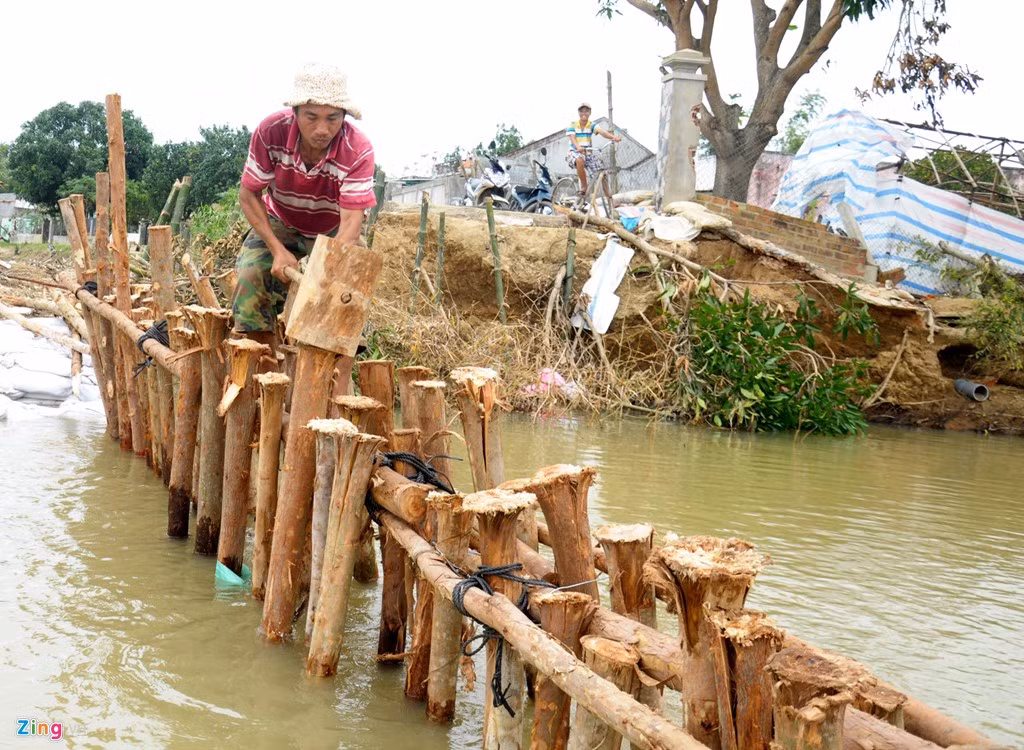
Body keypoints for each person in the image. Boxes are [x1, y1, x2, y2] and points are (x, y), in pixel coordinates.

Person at [233, 62, 376, 351]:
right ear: (295, 111)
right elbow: (248, 196)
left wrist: (322, 271)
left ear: (344, 116)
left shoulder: (358, 149)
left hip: (334, 231)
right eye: (311, 117)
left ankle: (337, 387)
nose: (322, 129)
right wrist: (276, 249)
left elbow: (350, 225)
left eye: (332, 119)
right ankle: (264, 367)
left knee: (347, 301)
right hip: (279, 220)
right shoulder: (271, 131)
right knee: (249, 279)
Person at [566, 102, 621, 195]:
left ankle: (609, 197)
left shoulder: (591, 125)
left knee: (602, 173)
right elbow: (572, 137)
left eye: (586, 111)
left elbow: (602, 132)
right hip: (574, 152)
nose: (584, 113)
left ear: (590, 113)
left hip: (587, 153)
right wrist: (578, 147)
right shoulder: (573, 124)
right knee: (579, 160)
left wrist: (613, 137)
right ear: (579, 113)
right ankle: (584, 187)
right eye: (581, 111)